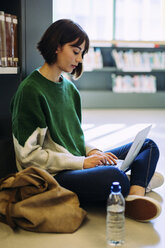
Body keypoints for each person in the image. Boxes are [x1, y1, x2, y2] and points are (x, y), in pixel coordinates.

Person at [11, 19, 164, 222]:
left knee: (148, 145)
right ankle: (138, 181)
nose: (80, 59)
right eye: (76, 51)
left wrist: (91, 151)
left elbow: (72, 137)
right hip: (55, 175)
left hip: (76, 163)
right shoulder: (31, 90)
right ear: (57, 46)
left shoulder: (70, 89)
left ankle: (134, 195)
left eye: (82, 54)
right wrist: (83, 163)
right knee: (114, 177)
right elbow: (28, 156)